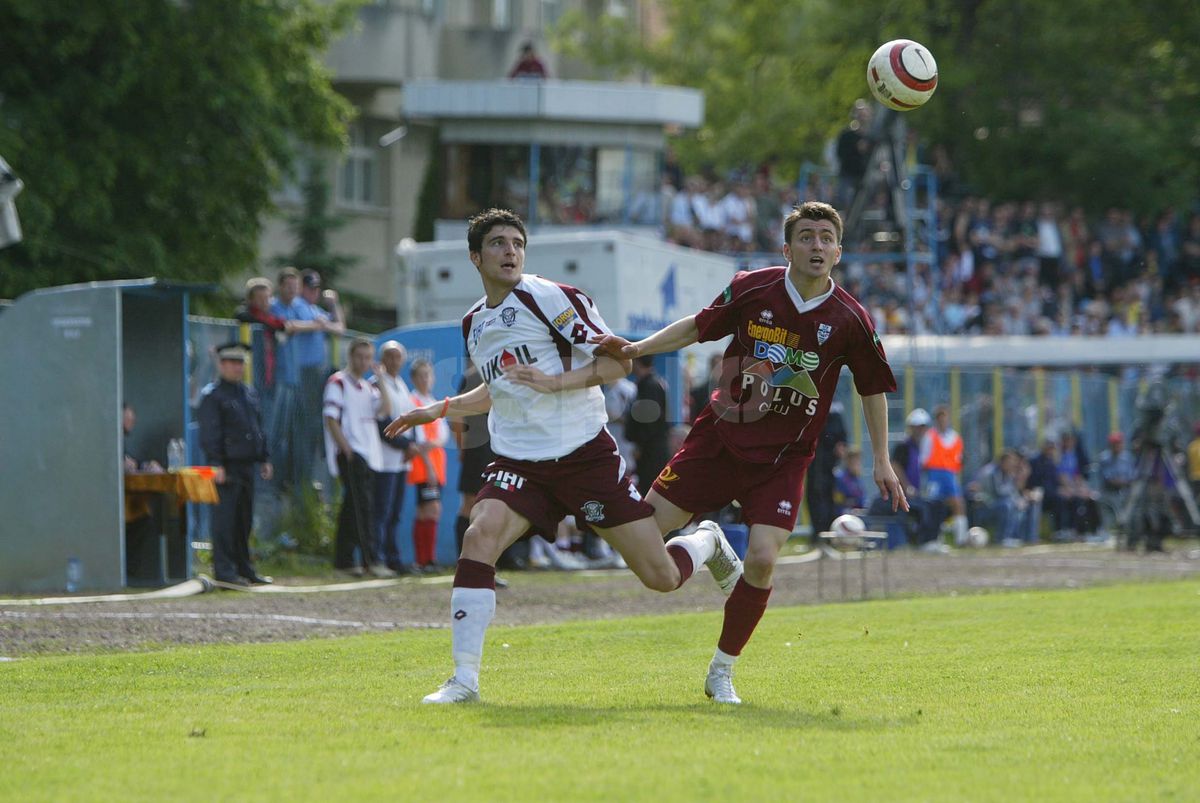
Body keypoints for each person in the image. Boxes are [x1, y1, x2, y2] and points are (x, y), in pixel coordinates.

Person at [384, 208, 742, 704]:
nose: (510, 251)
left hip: (582, 456)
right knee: (480, 533)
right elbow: (497, 389)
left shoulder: (548, 296)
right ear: (474, 257)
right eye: (497, 244)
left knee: (659, 577)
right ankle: (464, 679)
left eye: (516, 242)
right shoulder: (473, 321)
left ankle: (706, 541)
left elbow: (617, 363)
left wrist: (556, 382)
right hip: (518, 462)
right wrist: (440, 408)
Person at [592, 200, 908, 703]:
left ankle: (721, 672)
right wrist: (638, 348)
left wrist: (881, 459)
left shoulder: (851, 317)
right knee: (645, 543)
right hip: (717, 442)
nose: (817, 245)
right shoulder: (752, 287)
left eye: (826, 237)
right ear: (787, 248)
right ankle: (706, 545)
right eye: (806, 236)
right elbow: (698, 326)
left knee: (761, 560)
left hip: (783, 460)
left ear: (840, 251)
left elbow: (872, 387)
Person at [197, 343, 274, 586]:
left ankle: (244, 567)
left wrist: (263, 457)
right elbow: (210, 432)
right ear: (221, 365)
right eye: (231, 362)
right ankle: (225, 570)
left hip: (247, 465)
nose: (236, 367)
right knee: (225, 520)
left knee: (244, 520)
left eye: (240, 362)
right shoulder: (213, 395)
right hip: (226, 467)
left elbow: (257, 428)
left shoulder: (247, 393)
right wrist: (216, 462)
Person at [323, 337, 394, 578]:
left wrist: (381, 379)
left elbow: (385, 409)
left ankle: (345, 559)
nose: (364, 362)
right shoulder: (338, 382)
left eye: (367, 357)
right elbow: (331, 417)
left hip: (369, 454)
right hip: (352, 453)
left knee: (355, 508)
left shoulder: (368, 387)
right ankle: (369, 560)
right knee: (359, 507)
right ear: (350, 356)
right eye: (360, 357)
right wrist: (346, 449)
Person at [372, 340, 418, 574]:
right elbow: (381, 423)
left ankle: (393, 557)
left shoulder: (400, 384)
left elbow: (411, 419)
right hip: (385, 459)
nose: (393, 361)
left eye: (397, 357)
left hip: (401, 461)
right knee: (382, 510)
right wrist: (404, 445)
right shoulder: (377, 385)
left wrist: (412, 445)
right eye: (389, 356)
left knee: (395, 513)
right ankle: (377, 557)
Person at [407, 357, 449, 572]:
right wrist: (428, 465)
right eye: (421, 375)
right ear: (413, 378)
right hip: (425, 467)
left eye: (428, 375)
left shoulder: (433, 401)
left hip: (436, 465)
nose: (425, 379)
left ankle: (425, 560)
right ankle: (424, 560)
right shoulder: (413, 402)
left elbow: (443, 436)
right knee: (430, 510)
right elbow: (420, 440)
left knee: (429, 511)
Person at [920, 405, 967, 546]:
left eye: (945, 418)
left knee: (958, 504)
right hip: (934, 475)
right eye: (940, 419)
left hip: (950, 476)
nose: (943, 422)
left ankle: (961, 539)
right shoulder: (929, 436)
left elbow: (959, 458)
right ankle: (934, 538)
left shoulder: (955, 437)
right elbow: (923, 459)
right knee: (934, 505)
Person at [625, 355, 670, 495]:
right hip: (648, 448)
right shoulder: (647, 384)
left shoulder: (650, 386)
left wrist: (640, 445)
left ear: (637, 362)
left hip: (651, 450)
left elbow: (649, 420)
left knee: (649, 489)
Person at [806, 401, 847, 541]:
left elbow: (841, 436)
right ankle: (818, 533)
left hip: (828, 462)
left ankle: (829, 533)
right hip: (813, 460)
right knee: (815, 495)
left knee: (829, 497)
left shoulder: (835, 408)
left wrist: (841, 444)